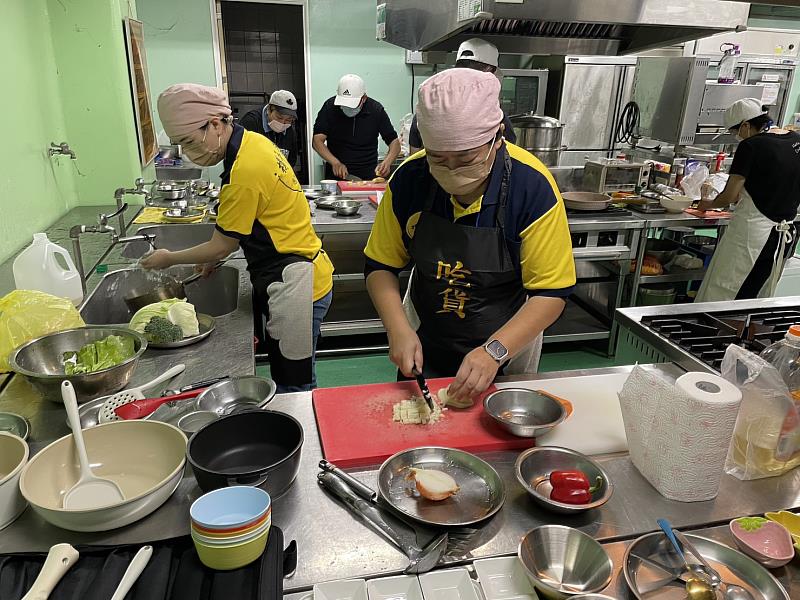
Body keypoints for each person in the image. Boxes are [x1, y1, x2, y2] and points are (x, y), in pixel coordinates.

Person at [364, 69, 576, 403]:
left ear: (498, 137)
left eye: (466, 158)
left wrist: (494, 351)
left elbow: (551, 293)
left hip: (507, 337)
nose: (451, 170)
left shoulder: (532, 187)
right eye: (438, 159)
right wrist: (397, 328)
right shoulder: (409, 180)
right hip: (425, 327)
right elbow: (380, 265)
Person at [141, 84, 334, 393]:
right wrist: (213, 258)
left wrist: (168, 257)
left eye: (189, 142)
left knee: (295, 385)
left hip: (296, 282)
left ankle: (304, 437)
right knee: (295, 373)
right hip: (296, 274)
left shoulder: (246, 168)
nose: (189, 152)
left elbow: (223, 243)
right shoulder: (252, 143)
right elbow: (253, 221)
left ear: (216, 124)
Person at [695, 98, 800, 302]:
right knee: (758, 295)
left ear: (745, 125)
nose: (737, 137)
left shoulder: (751, 146)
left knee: (724, 290)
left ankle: (716, 332)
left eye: (736, 132)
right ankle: (747, 333)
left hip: (751, 234)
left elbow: (730, 196)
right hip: (785, 234)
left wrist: (707, 204)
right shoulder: (795, 140)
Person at [407, 38, 516, 155]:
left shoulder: (428, 108)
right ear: (490, 71)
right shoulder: (494, 116)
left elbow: (415, 155)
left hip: (432, 172)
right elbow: (509, 157)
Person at [313, 74, 401, 181]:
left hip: (368, 175)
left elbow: (395, 143)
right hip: (337, 174)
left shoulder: (376, 110)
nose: (347, 108)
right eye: (344, 104)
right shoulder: (330, 107)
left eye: (351, 104)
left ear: (364, 98)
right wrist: (335, 162)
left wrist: (387, 162)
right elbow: (317, 141)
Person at [239, 90, 300, 170]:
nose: (283, 123)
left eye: (288, 119)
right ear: (269, 110)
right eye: (279, 117)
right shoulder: (251, 123)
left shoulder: (289, 130)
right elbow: (238, 156)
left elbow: (291, 161)